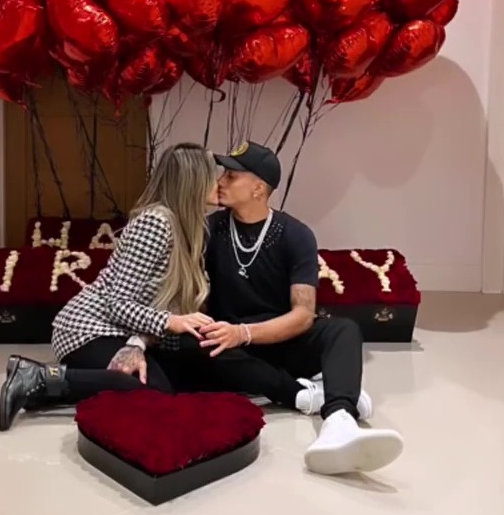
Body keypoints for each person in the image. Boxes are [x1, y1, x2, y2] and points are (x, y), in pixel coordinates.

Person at [126, 140, 405, 475]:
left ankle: (340, 420)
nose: (220, 182)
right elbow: (176, 295)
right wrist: (141, 340)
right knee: (189, 342)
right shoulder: (208, 229)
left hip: (273, 339)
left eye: (231, 176)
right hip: (225, 349)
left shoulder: (295, 235)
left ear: (258, 188)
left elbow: (302, 315)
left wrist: (244, 333)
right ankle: (310, 393)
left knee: (343, 330)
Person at [0, 142, 219, 431]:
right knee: (155, 394)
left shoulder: (191, 227)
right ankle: (39, 378)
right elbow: (118, 303)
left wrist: (140, 341)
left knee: (167, 388)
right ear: (194, 181)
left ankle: (48, 393)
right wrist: (171, 321)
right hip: (88, 328)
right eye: (214, 175)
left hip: (123, 330)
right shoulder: (156, 222)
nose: (219, 182)